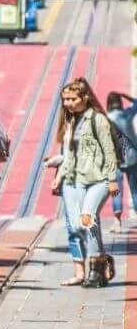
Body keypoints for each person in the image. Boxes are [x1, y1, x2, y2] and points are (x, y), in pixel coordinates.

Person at [49, 78, 118, 288]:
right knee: (81, 224)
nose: (67, 103)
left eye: (72, 99)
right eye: (65, 100)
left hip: (98, 179)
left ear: (84, 98)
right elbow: (70, 154)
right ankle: (101, 261)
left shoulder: (98, 120)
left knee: (87, 218)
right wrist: (59, 176)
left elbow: (109, 150)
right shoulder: (71, 121)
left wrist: (112, 179)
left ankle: (96, 270)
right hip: (77, 178)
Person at [105, 92, 137, 231]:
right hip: (132, 157)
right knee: (135, 190)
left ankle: (117, 222)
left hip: (115, 159)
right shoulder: (127, 114)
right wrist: (126, 95)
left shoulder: (106, 118)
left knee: (116, 191)